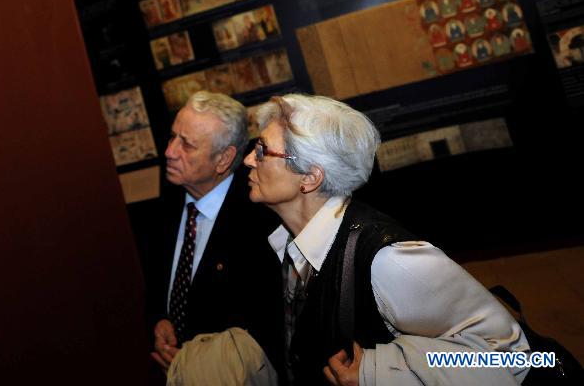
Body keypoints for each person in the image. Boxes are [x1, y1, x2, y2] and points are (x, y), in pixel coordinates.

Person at [244, 94, 529, 385]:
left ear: (310, 177)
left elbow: (509, 353)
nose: (248, 159)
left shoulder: (386, 259)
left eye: (262, 150)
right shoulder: (293, 244)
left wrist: (378, 371)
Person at [145, 91, 283, 374]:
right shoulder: (170, 195)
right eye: (172, 137)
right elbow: (160, 276)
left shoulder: (260, 218)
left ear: (223, 159)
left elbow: (266, 321)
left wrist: (197, 359)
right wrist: (160, 320)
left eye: (187, 145)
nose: (170, 152)